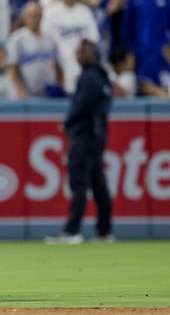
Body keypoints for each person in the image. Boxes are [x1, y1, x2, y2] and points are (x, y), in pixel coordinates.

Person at [46, 39, 113, 244]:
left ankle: (73, 230)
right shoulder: (101, 75)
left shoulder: (90, 77)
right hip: (97, 133)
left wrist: (68, 122)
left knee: (79, 182)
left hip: (84, 134)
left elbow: (82, 105)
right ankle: (104, 231)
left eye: (78, 52)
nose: (76, 55)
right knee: (97, 181)